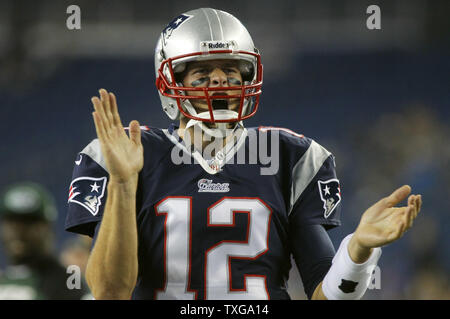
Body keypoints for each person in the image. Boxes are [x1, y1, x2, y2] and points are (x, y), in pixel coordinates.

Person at [65, 8, 422, 300]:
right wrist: (124, 182)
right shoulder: (129, 153)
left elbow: (325, 295)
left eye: (232, 72)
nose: (220, 81)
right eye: (203, 72)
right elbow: (110, 293)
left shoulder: (291, 156)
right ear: (171, 82)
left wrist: (358, 252)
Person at [0, 182, 88, 299]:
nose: (18, 232)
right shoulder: (6, 278)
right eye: (11, 223)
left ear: (48, 229)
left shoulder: (68, 280)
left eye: (28, 223)